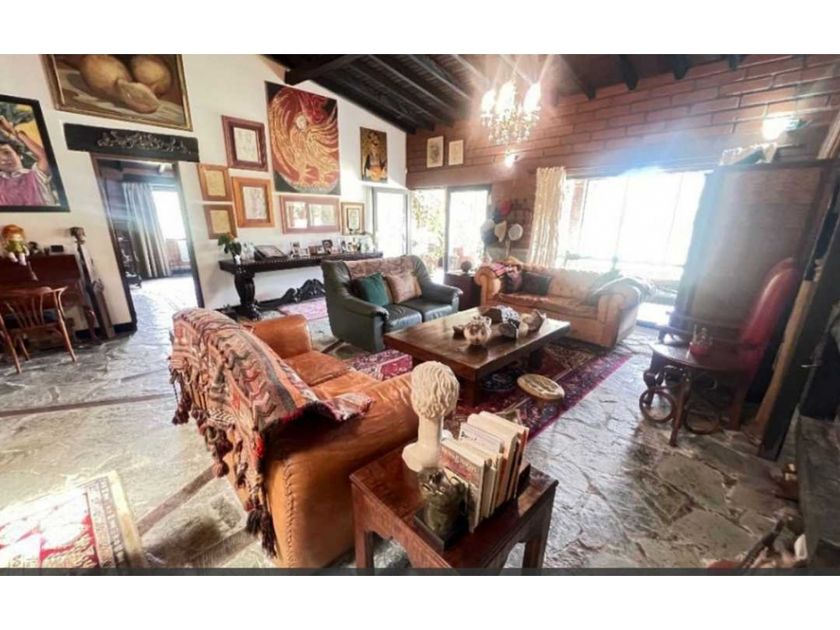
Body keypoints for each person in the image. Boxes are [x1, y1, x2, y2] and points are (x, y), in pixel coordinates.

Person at [0, 115, 58, 206]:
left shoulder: (35, 175)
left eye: (7, 153)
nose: (4, 159)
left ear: (19, 154)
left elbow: (45, 157)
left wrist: (14, 131)